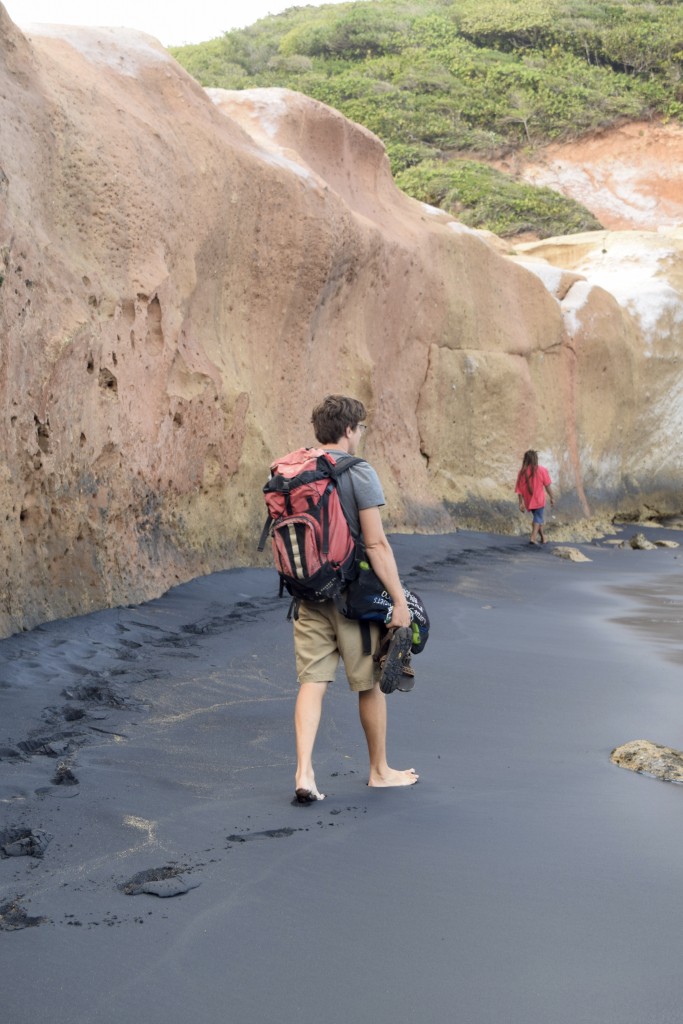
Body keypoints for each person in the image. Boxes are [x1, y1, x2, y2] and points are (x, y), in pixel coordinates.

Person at [292, 394, 419, 802]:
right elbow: (377, 544)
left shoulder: (297, 469)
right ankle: (379, 771)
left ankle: (304, 773)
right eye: (360, 427)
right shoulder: (357, 471)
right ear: (348, 430)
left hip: (307, 593)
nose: (360, 434)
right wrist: (399, 601)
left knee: (313, 682)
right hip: (352, 598)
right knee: (369, 684)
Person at [515, 449, 555, 545]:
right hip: (539, 500)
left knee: (538, 517)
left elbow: (519, 489)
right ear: (535, 459)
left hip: (529, 501)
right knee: (538, 517)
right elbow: (547, 486)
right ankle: (533, 537)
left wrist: (521, 503)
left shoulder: (522, 472)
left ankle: (543, 537)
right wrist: (552, 497)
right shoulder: (541, 470)